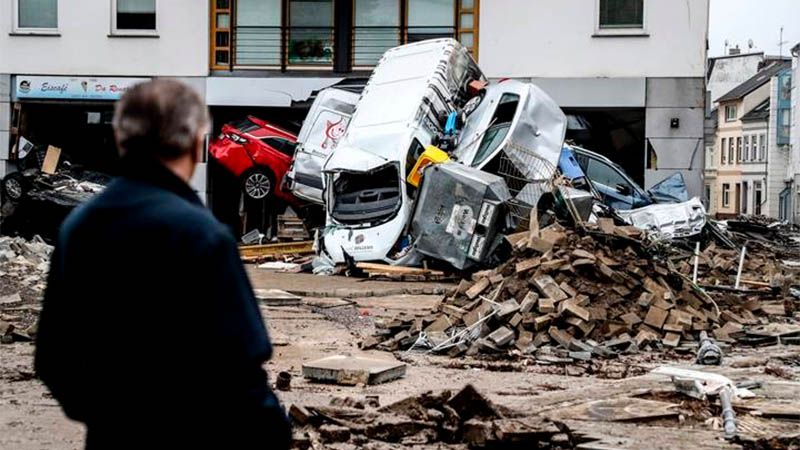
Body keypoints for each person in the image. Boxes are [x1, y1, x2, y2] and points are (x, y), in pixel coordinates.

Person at [34, 79, 291, 449]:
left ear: (122, 140)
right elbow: (239, 374)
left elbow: (53, 358)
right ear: (194, 141)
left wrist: (108, 415)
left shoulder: (79, 228)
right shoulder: (203, 235)